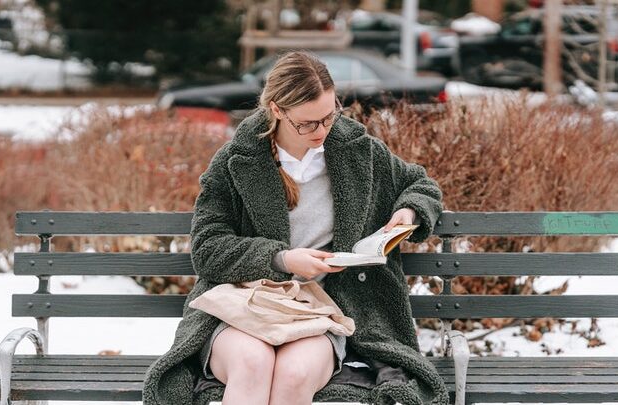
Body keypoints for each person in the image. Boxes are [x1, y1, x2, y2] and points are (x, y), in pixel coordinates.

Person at [143, 51, 448, 405]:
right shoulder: (235, 162)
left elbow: (421, 184)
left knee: (294, 375)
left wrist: (409, 211)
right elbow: (208, 248)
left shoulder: (357, 151)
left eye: (329, 117)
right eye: (307, 123)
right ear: (276, 110)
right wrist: (283, 259)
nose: (321, 131)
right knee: (253, 365)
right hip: (245, 304)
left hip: (321, 312)